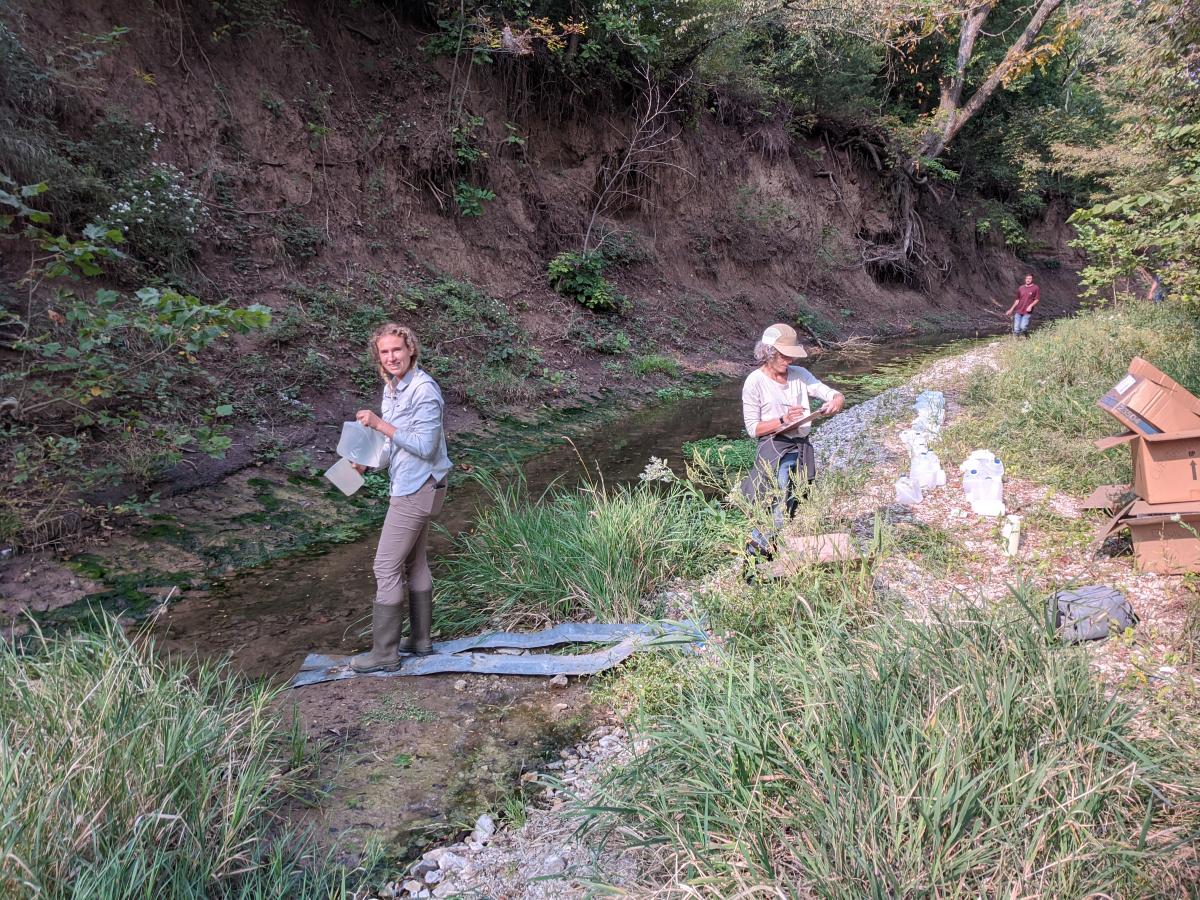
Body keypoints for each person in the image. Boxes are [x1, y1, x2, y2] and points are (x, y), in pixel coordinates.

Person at [348, 323, 453, 673]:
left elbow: (425, 446)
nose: (391, 357)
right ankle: (420, 641)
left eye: (397, 349)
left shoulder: (424, 390)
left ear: (411, 350)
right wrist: (364, 464)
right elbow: (394, 444)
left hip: (419, 487)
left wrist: (379, 425)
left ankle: (385, 654)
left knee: (384, 566)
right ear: (379, 356)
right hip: (415, 484)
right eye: (385, 351)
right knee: (414, 563)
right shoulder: (392, 388)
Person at [739, 323, 844, 560]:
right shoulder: (754, 382)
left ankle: (771, 547)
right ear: (768, 353)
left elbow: (827, 392)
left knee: (796, 499)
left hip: (801, 446)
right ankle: (755, 557)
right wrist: (782, 420)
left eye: (790, 355)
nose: (788, 360)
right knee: (776, 503)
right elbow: (753, 428)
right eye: (783, 355)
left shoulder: (799, 375)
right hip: (776, 448)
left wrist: (837, 398)